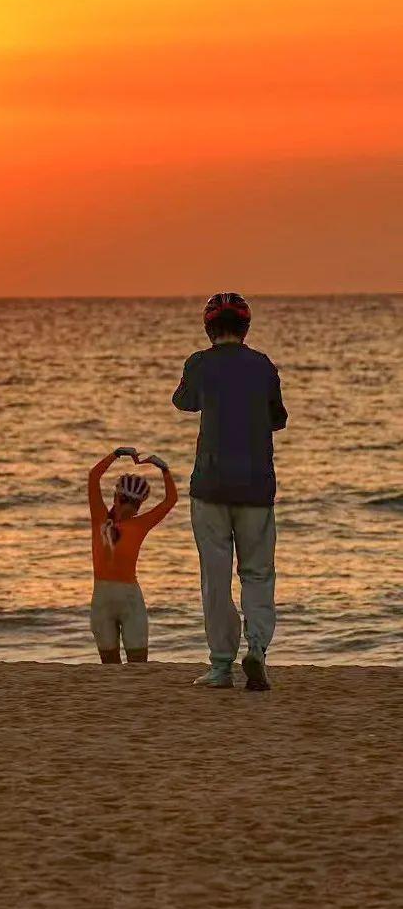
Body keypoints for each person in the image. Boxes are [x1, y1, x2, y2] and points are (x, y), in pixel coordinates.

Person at [173, 292, 288, 691]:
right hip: (257, 487)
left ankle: (221, 666)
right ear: (245, 327)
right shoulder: (263, 366)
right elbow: (278, 418)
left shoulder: (199, 364)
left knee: (215, 578)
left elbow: (183, 402)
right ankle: (256, 649)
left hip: (210, 485)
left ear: (209, 328)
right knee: (258, 573)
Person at [88, 446, 178, 663]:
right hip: (102, 599)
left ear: (139, 507)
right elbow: (93, 477)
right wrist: (116, 454)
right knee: (109, 666)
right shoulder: (99, 516)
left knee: (138, 665)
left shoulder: (140, 524)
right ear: (116, 497)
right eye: (126, 499)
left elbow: (170, 501)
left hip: (130, 599)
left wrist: (165, 470)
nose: (130, 506)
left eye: (135, 503)